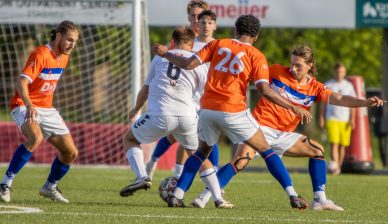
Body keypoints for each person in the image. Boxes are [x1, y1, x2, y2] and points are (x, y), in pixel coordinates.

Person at [190, 46, 384, 211]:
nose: (292, 68)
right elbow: (248, 77)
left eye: (298, 65)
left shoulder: (315, 88)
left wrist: (365, 102)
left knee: (317, 150)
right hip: (260, 127)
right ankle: (205, 196)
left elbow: (340, 98)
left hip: (284, 134)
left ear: (310, 66)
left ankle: (319, 199)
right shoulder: (275, 71)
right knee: (240, 161)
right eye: (291, 63)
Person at [153, 15, 312, 208]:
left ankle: (177, 194)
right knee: (265, 150)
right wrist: (293, 106)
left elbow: (188, 64)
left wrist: (166, 53)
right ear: (256, 36)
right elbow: (264, 90)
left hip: (207, 108)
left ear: (236, 30)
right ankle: (293, 195)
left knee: (201, 152)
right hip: (233, 110)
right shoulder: (256, 55)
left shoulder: (218, 43)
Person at [119, 26, 231, 208]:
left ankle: (142, 176)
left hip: (160, 114)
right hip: (187, 116)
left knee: (130, 139)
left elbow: (146, 89)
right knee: (199, 155)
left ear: (173, 41)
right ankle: (218, 198)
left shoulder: (159, 58)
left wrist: (135, 109)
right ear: (192, 43)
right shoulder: (197, 61)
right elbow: (205, 91)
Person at [0, 21, 79, 203]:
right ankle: (4, 184)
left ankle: (50, 186)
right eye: (69, 40)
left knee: (70, 153)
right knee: (35, 138)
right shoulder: (41, 54)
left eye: (75, 41)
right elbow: (21, 82)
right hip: (24, 104)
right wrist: (29, 104)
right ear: (58, 36)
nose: (72, 45)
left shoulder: (64, 57)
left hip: (46, 108)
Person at [146, 7, 220, 180]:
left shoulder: (217, 45)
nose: (200, 22)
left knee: (207, 135)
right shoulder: (184, 42)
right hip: (184, 97)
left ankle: (206, 175)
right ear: (191, 19)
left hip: (205, 97)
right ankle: (165, 167)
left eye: (206, 20)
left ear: (214, 25)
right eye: (195, 17)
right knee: (177, 136)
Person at [319, 63, 356, 175]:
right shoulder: (329, 84)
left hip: (344, 119)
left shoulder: (348, 86)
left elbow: (353, 103)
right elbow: (323, 103)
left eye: (342, 72)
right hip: (332, 118)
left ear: (344, 73)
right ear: (334, 72)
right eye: (338, 71)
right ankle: (334, 165)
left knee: (342, 145)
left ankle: (338, 167)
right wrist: (321, 117)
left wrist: (352, 118)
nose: (339, 74)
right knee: (333, 143)